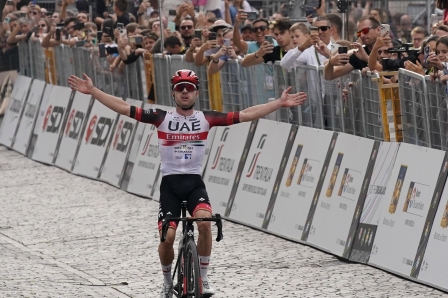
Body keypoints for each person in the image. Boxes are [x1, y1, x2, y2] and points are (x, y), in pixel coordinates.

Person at [67, 69, 307, 298]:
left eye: (189, 89)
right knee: (167, 238)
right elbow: (124, 108)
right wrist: (94, 91)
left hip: (194, 185)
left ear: (196, 93)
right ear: (173, 92)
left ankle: (203, 278)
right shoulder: (161, 117)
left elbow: (245, 114)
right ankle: (167, 284)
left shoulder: (206, 118)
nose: (184, 92)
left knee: (204, 224)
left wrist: (278, 103)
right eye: (180, 88)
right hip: (170, 186)